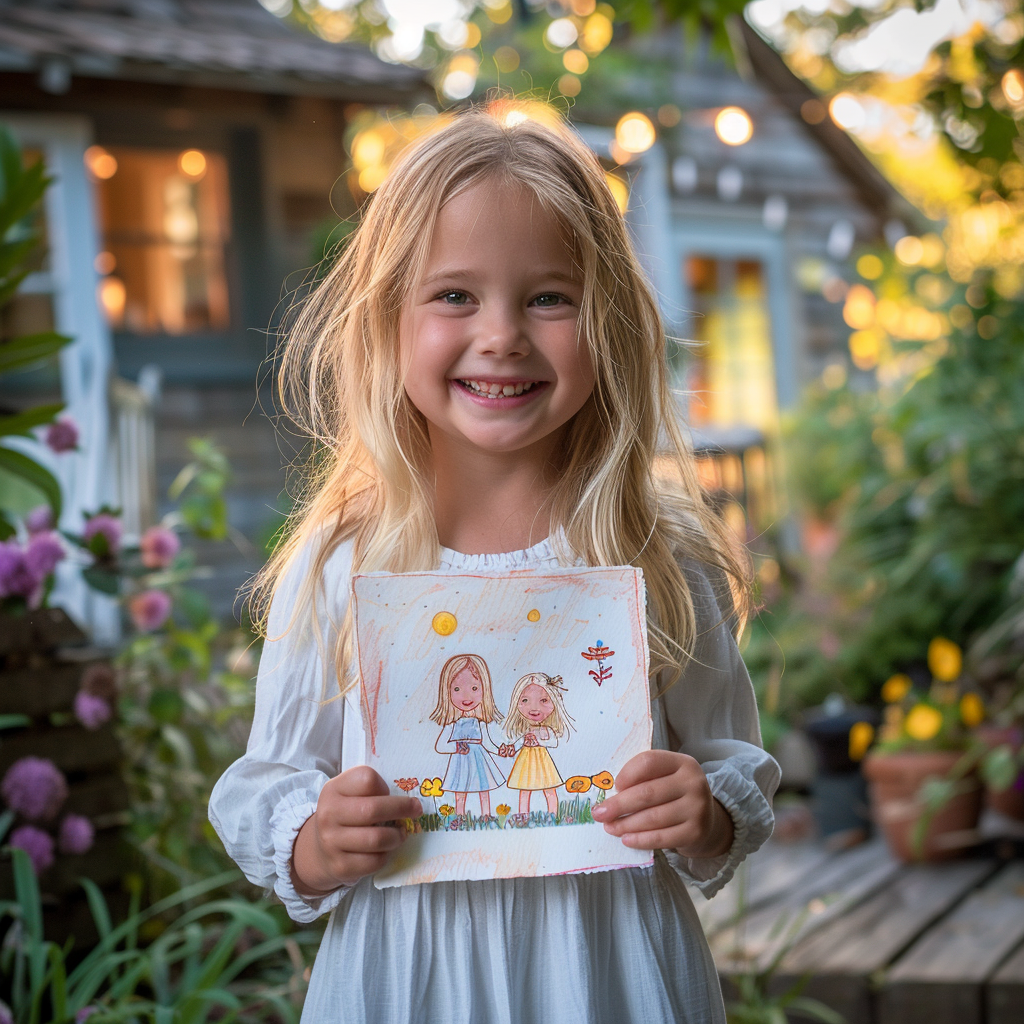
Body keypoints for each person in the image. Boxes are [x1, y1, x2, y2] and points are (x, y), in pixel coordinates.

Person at [209, 103, 780, 1024]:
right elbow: (268, 784)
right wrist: (317, 842)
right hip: (407, 977)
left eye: (549, 296)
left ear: (610, 324)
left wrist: (703, 810)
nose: (503, 333)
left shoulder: (655, 553)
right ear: (387, 318)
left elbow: (727, 765)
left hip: (611, 971)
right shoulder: (341, 563)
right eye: (454, 295)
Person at [430, 653, 506, 817]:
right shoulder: (452, 723)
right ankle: (460, 817)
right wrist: (457, 747)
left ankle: (486, 815)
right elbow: (441, 746)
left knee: (483, 789)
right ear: (447, 692)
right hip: (460, 760)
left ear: (484, 689)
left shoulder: (480, 721)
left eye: (474, 688)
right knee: (460, 791)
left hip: (479, 759)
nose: (466, 696)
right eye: (457, 689)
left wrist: (499, 750)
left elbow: (488, 743)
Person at [504, 671, 572, 815]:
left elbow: (553, 742)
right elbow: (519, 743)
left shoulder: (546, 729)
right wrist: (511, 748)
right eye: (525, 701)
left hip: (543, 762)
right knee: (524, 790)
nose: (534, 708)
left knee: (549, 789)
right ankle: (523, 816)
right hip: (526, 762)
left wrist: (539, 741)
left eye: (543, 701)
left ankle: (553, 814)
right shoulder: (526, 730)